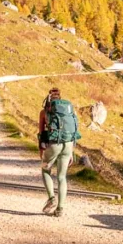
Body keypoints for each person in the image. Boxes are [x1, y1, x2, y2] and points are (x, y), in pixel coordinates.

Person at [38, 87, 80, 216]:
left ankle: (51, 198)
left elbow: (41, 132)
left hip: (54, 144)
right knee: (62, 177)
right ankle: (60, 209)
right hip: (68, 144)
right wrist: (71, 152)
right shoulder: (68, 112)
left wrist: (41, 149)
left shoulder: (44, 112)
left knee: (45, 169)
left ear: (49, 100)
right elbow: (72, 131)